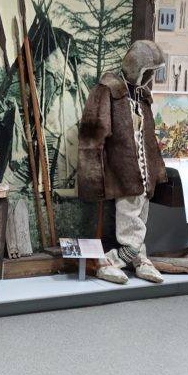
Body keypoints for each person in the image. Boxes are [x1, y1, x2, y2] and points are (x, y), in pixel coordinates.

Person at [77, 40, 167, 285]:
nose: (149, 77)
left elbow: (149, 137)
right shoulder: (108, 90)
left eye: (152, 72)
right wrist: (93, 173)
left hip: (143, 170)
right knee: (130, 220)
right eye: (147, 71)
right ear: (137, 68)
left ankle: (138, 257)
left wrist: (156, 169)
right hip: (122, 168)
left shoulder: (142, 97)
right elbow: (92, 133)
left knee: (140, 217)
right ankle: (109, 261)